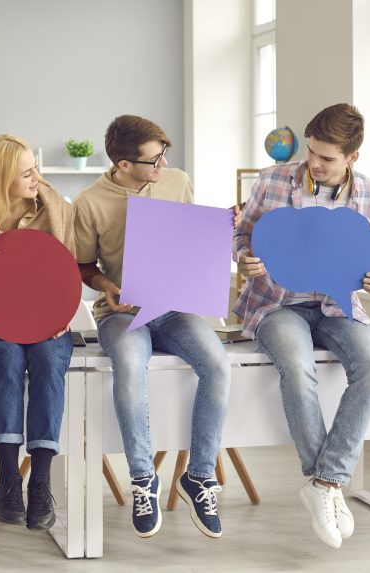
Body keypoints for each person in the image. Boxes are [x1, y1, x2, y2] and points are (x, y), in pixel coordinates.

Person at [234, 103, 370, 549]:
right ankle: (328, 483)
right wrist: (244, 258)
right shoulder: (272, 180)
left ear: (352, 157)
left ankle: (325, 483)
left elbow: (367, 257)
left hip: (338, 306)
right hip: (276, 304)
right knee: (297, 363)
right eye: (311, 152)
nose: (314, 164)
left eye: (327, 157)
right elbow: (243, 234)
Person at [73, 115, 231, 539]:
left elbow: (192, 243)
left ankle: (200, 476)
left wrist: (222, 233)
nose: (162, 165)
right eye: (153, 160)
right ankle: (143, 478)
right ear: (124, 164)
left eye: (164, 155)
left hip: (176, 309)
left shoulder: (178, 182)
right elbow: (83, 265)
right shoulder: (89, 202)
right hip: (122, 313)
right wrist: (108, 287)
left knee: (218, 365)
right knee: (128, 365)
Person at [0, 134, 75, 530]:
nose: (36, 178)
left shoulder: (57, 207)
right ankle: (8, 479)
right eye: (26, 173)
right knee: (5, 355)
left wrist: (64, 311)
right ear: (2, 179)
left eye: (35, 168)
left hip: (47, 318)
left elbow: (68, 271)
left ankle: (40, 482)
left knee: (47, 359)